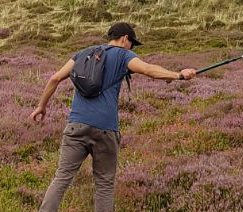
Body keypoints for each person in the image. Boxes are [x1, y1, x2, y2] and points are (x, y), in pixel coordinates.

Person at [30, 22, 196, 212]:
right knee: (104, 184)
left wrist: (41, 106)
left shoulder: (83, 53)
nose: (132, 48)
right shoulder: (123, 55)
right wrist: (178, 75)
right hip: (105, 130)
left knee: (62, 178)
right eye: (132, 44)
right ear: (125, 38)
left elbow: (54, 78)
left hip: (76, 126)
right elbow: (148, 69)